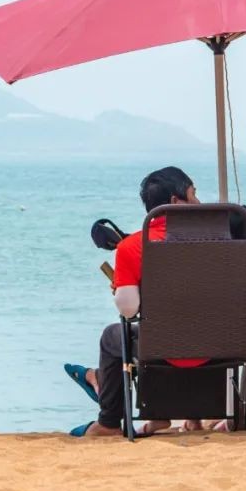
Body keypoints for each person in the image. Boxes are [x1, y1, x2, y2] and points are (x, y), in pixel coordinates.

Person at [66, 166, 199, 437]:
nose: (199, 202)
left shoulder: (134, 247)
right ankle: (189, 417)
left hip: (166, 348)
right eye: (194, 194)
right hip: (222, 343)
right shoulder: (220, 240)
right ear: (176, 202)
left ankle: (108, 422)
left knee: (112, 336)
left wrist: (121, 288)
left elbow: (129, 309)